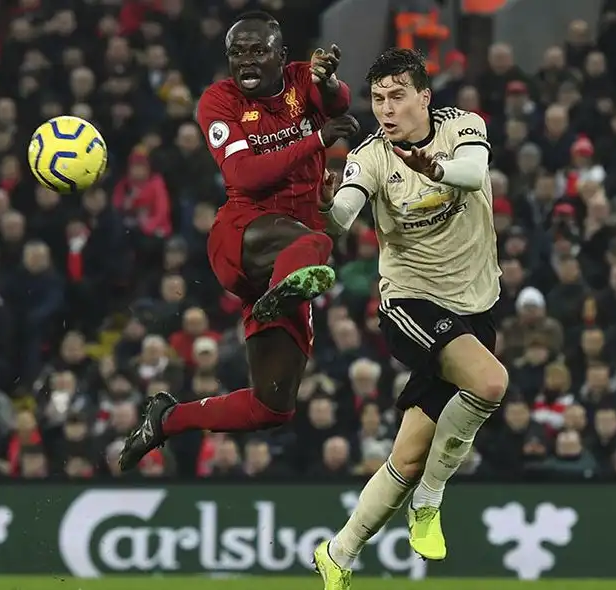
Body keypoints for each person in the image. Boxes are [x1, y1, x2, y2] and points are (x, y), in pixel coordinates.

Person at [117, 11, 360, 470]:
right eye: (237, 52)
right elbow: (244, 174)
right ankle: (282, 291)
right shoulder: (218, 100)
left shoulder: (300, 81)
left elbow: (339, 101)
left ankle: (165, 419)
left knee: (273, 407)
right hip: (244, 236)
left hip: (288, 260)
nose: (246, 61)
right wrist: (317, 140)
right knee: (318, 246)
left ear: (281, 56)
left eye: (258, 51)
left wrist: (327, 85)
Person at [311, 48, 508, 588]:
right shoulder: (372, 156)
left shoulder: (462, 126)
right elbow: (346, 215)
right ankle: (431, 501)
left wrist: (435, 168)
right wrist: (327, 207)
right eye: (377, 98)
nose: (386, 108)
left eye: (397, 95)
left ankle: (339, 551)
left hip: (476, 304)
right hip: (411, 303)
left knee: (411, 452)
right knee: (490, 382)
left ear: (424, 96)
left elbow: (471, 172)